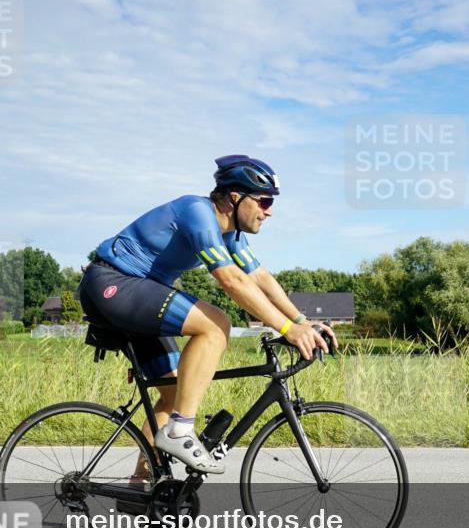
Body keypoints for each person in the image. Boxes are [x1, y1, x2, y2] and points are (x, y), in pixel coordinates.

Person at [77, 155, 334, 477]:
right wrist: (285, 328)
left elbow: (259, 277)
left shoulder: (229, 234)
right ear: (235, 197)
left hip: (140, 293)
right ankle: (180, 431)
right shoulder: (196, 212)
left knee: (175, 394)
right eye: (265, 201)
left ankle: (143, 485)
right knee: (216, 324)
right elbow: (231, 279)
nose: (269, 211)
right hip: (112, 283)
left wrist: (300, 322)